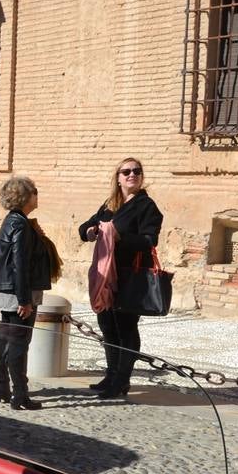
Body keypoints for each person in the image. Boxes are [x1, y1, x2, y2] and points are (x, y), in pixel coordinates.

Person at [79, 157, 164, 399]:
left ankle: (122, 380)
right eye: (126, 171)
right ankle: (111, 375)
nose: (132, 175)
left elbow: (150, 240)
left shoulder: (147, 206)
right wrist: (91, 231)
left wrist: (119, 237)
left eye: (136, 171)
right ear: (118, 177)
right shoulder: (110, 204)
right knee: (107, 325)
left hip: (129, 275)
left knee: (126, 328)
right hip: (105, 275)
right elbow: (86, 227)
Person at [0, 176, 53, 410]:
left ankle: (0, 388)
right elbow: (20, 263)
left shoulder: (12, 221)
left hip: (8, 289)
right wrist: (24, 300)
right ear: (25, 196)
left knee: (5, 340)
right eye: (35, 191)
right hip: (19, 293)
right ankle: (20, 395)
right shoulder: (20, 224)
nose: (37, 195)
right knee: (18, 344)